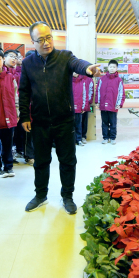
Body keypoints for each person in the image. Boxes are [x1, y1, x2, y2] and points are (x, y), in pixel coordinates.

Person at [18, 21, 101, 214]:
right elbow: (24, 91)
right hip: (40, 122)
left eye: (48, 37)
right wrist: (24, 116)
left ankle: (67, 196)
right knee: (40, 161)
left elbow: (78, 64)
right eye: (40, 40)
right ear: (33, 42)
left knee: (68, 161)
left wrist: (88, 69)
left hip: (64, 121)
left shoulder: (65, 57)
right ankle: (40, 195)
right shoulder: (28, 63)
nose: (46, 42)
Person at [0, 48, 18, 177]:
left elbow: (15, 95)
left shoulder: (10, 76)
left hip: (9, 115)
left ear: (3, 59)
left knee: (8, 144)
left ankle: (8, 166)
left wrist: (16, 112)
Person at [96, 59, 125, 144]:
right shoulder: (102, 79)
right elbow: (98, 91)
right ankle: (105, 137)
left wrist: (119, 103)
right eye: (110, 67)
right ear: (108, 67)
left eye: (114, 67)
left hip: (113, 105)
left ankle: (112, 138)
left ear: (116, 68)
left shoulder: (119, 80)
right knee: (104, 122)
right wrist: (97, 101)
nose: (112, 68)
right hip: (103, 105)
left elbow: (121, 93)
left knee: (113, 122)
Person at [72, 72, 88, 145]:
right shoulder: (68, 81)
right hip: (70, 109)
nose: (75, 73)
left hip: (79, 107)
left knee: (78, 124)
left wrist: (84, 106)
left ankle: (78, 139)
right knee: (70, 126)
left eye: (76, 71)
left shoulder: (82, 81)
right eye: (74, 71)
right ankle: (71, 141)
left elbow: (85, 94)